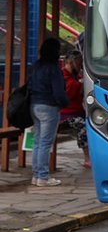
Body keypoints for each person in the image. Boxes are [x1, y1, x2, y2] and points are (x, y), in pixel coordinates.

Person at [28, 37, 69, 187]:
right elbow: (59, 92)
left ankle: (36, 175)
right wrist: (64, 103)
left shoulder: (36, 66)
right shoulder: (53, 69)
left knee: (38, 142)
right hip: (49, 107)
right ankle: (43, 177)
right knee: (45, 143)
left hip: (34, 105)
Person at [60, 50, 90, 168]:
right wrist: (80, 85)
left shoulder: (76, 76)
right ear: (72, 63)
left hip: (79, 112)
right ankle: (88, 158)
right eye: (79, 64)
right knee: (83, 127)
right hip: (66, 114)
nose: (80, 66)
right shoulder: (63, 76)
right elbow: (68, 95)